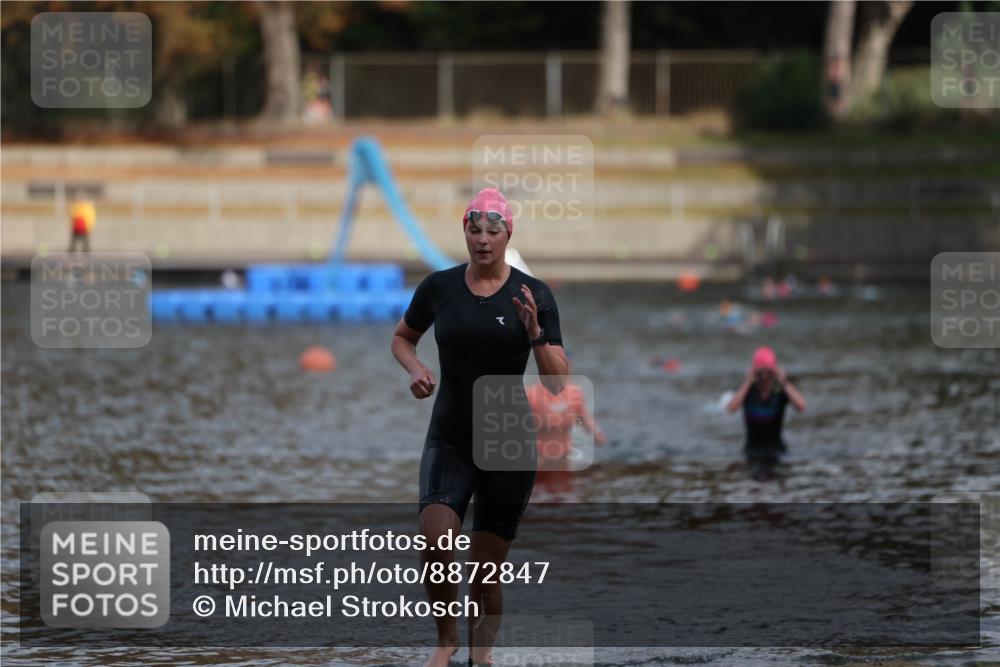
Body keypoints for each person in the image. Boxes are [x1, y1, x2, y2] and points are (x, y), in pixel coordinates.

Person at [391, 187, 570, 667]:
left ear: (508, 234)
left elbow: (557, 384)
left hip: (507, 443)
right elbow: (403, 338)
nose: (483, 239)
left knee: (486, 572)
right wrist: (414, 368)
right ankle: (446, 643)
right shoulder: (439, 287)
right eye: (475, 230)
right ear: (464, 232)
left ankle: (481, 657)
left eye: (493, 231)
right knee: (435, 539)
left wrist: (535, 334)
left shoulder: (534, 295)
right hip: (449, 435)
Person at [726, 346, 806, 481]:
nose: (764, 377)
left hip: (777, 450)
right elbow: (731, 409)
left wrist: (784, 381)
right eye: (760, 372)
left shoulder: (779, 390)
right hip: (752, 450)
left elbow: (802, 406)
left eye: (768, 372)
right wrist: (747, 382)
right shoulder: (748, 390)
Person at [526, 379, 606, 474]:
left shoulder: (574, 393)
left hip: (565, 458)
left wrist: (596, 433)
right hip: (539, 459)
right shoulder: (531, 395)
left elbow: (583, 418)